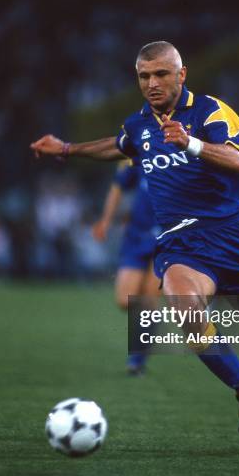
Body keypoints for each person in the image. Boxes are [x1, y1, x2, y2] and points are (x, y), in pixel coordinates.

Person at [31, 41, 239, 454]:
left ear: (181, 74)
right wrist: (65, 149)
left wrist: (190, 143)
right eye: (144, 76)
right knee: (184, 307)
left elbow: (238, 160)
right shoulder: (139, 125)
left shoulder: (210, 111)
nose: (152, 83)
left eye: (161, 74)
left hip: (231, 235)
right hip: (179, 240)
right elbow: (119, 145)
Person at [92, 159, 160, 374]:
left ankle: (137, 360)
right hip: (137, 235)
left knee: (149, 300)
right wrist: (106, 219)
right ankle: (147, 330)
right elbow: (118, 185)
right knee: (125, 300)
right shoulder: (139, 149)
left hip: (167, 236)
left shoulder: (183, 150)